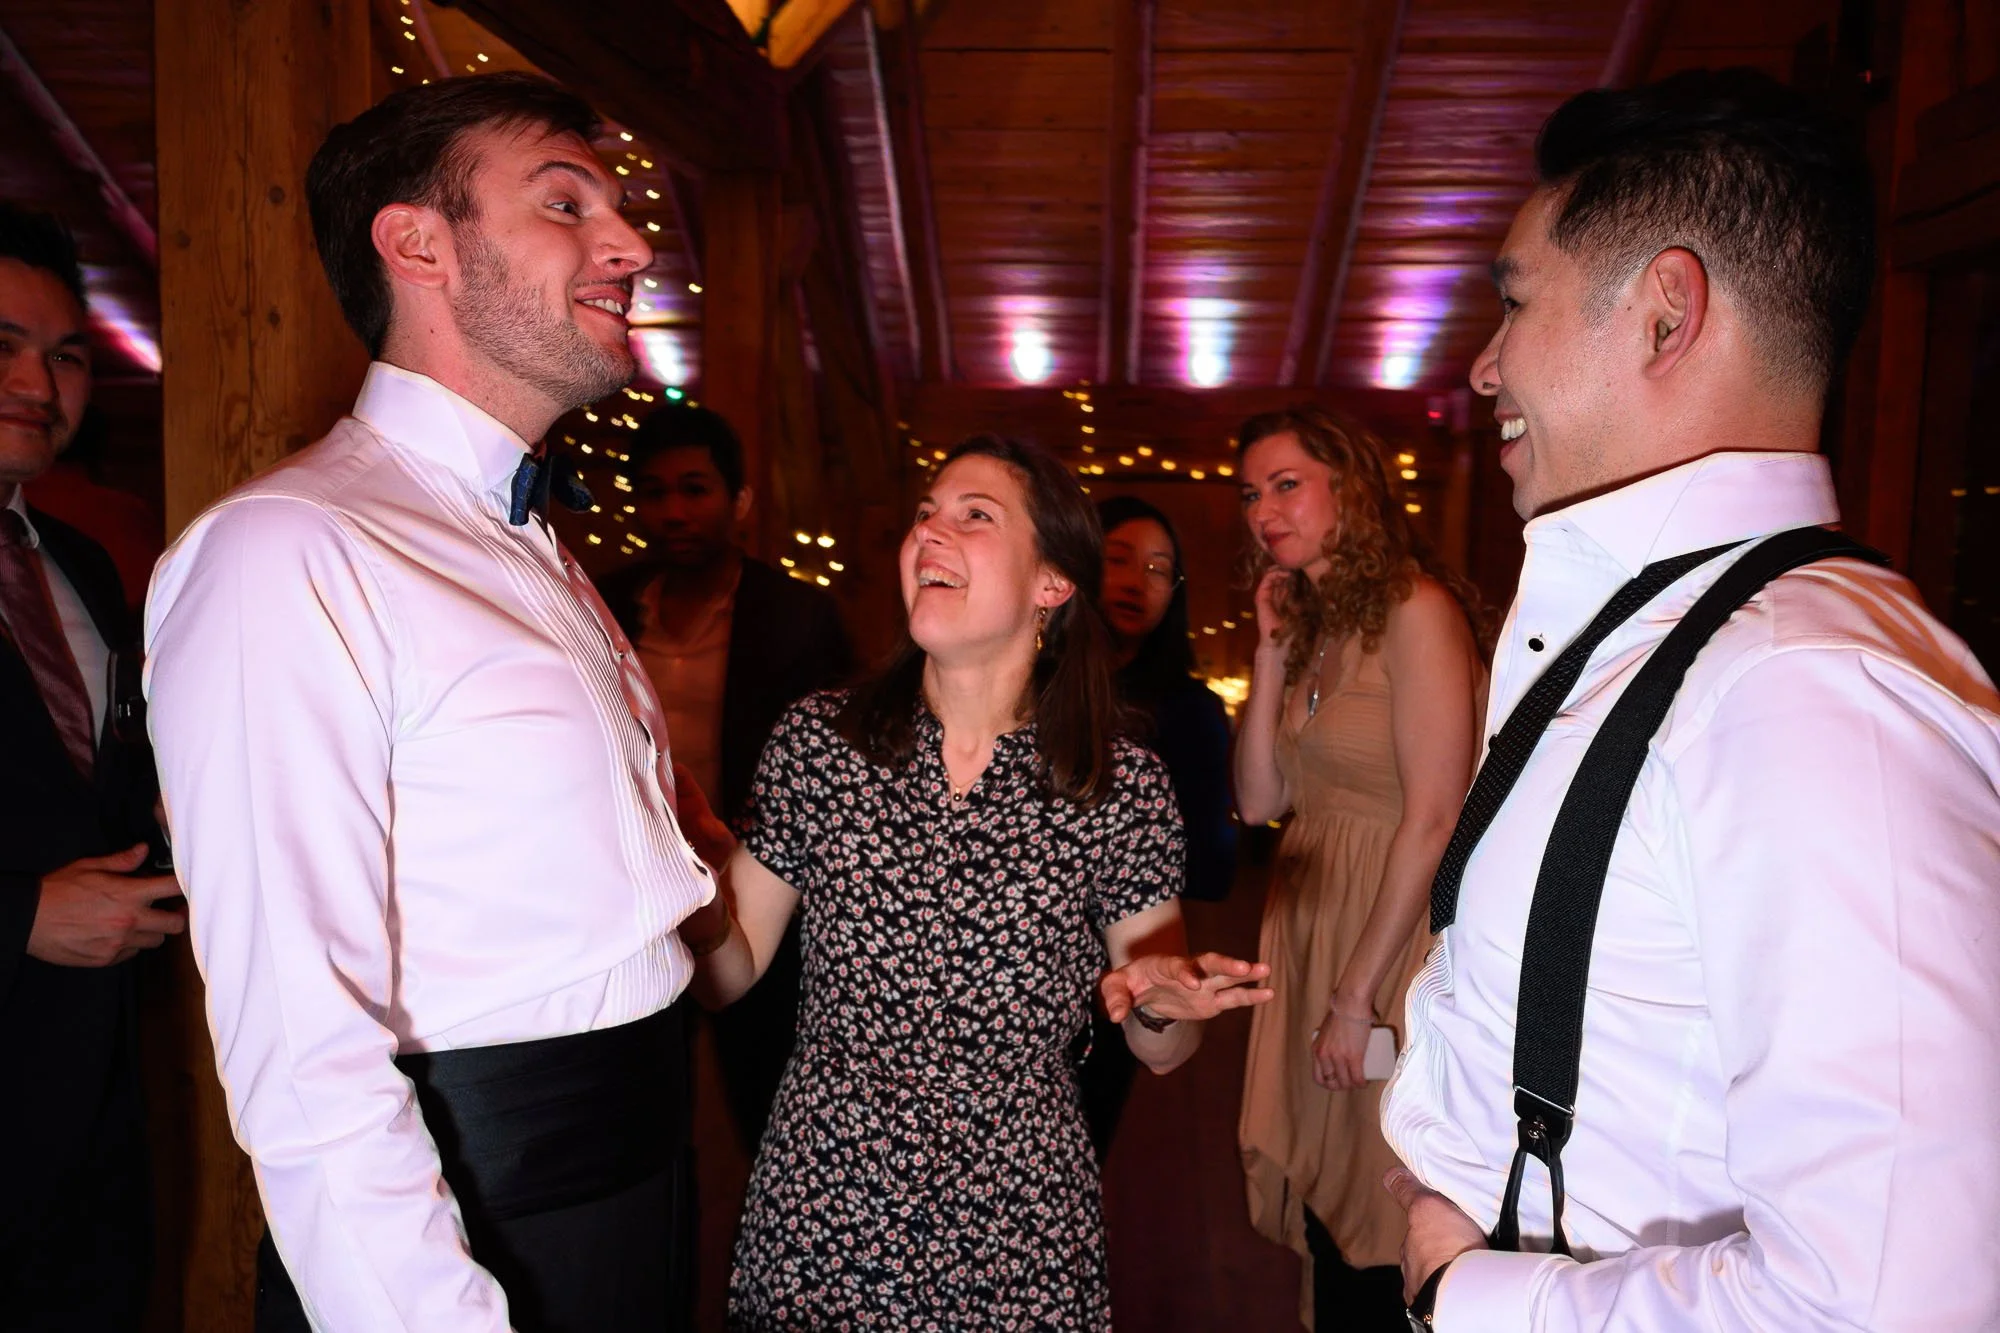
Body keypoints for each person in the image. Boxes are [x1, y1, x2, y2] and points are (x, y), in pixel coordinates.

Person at [1380, 69, 2000, 1331]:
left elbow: (1893, 1301)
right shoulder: (1662, 630)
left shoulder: (1808, 695)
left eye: (1512, 302)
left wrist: (1469, 1296)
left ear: (1664, 315)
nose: (1484, 364)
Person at [144, 74, 715, 1331]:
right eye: (566, 202)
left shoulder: (535, 541)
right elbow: (302, 1047)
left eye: (617, 209)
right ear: (415, 243)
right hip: (467, 1235)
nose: (626, 244)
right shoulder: (286, 550)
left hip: (640, 1191)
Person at [677, 434, 1274, 1330]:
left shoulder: (1116, 783)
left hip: (1018, 1227)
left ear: (1052, 583)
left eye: (975, 515)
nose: (931, 532)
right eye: (926, 514)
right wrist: (690, 886)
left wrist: (1155, 1000)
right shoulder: (819, 742)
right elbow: (731, 974)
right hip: (823, 1207)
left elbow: (1163, 1047)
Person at [1232, 405, 1484, 1329]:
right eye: (1252, 493)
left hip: (1384, 936)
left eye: (1287, 483)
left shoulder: (1417, 609)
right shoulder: (1311, 628)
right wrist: (1266, 650)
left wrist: (1355, 995)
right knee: (1324, 1194)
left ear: (1353, 489)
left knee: (1381, 1197)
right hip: (1308, 929)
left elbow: (1433, 816)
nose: (1264, 509)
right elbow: (1259, 801)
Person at [0, 204, 178, 1328]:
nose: (38, 380)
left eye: (66, 355)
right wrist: (15, 915)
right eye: (2, 345)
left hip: (92, 1118)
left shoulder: (75, 563)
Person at [597, 401, 852, 1147]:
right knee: (640, 1123)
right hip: (633, 897)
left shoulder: (798, 618)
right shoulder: (605, 606)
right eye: (654, 491)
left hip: (757, 893)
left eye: (695, 488)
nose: (672, 509)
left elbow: (839, 768)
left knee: (769, 1112)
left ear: (739, 500)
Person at [1076, 494, 1239, 1158]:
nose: (1135, 580)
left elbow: (1210, 866)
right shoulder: (1026, 687)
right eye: (1117, 558)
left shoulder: (1191, 711)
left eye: (1157, 568)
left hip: (1118, 966)